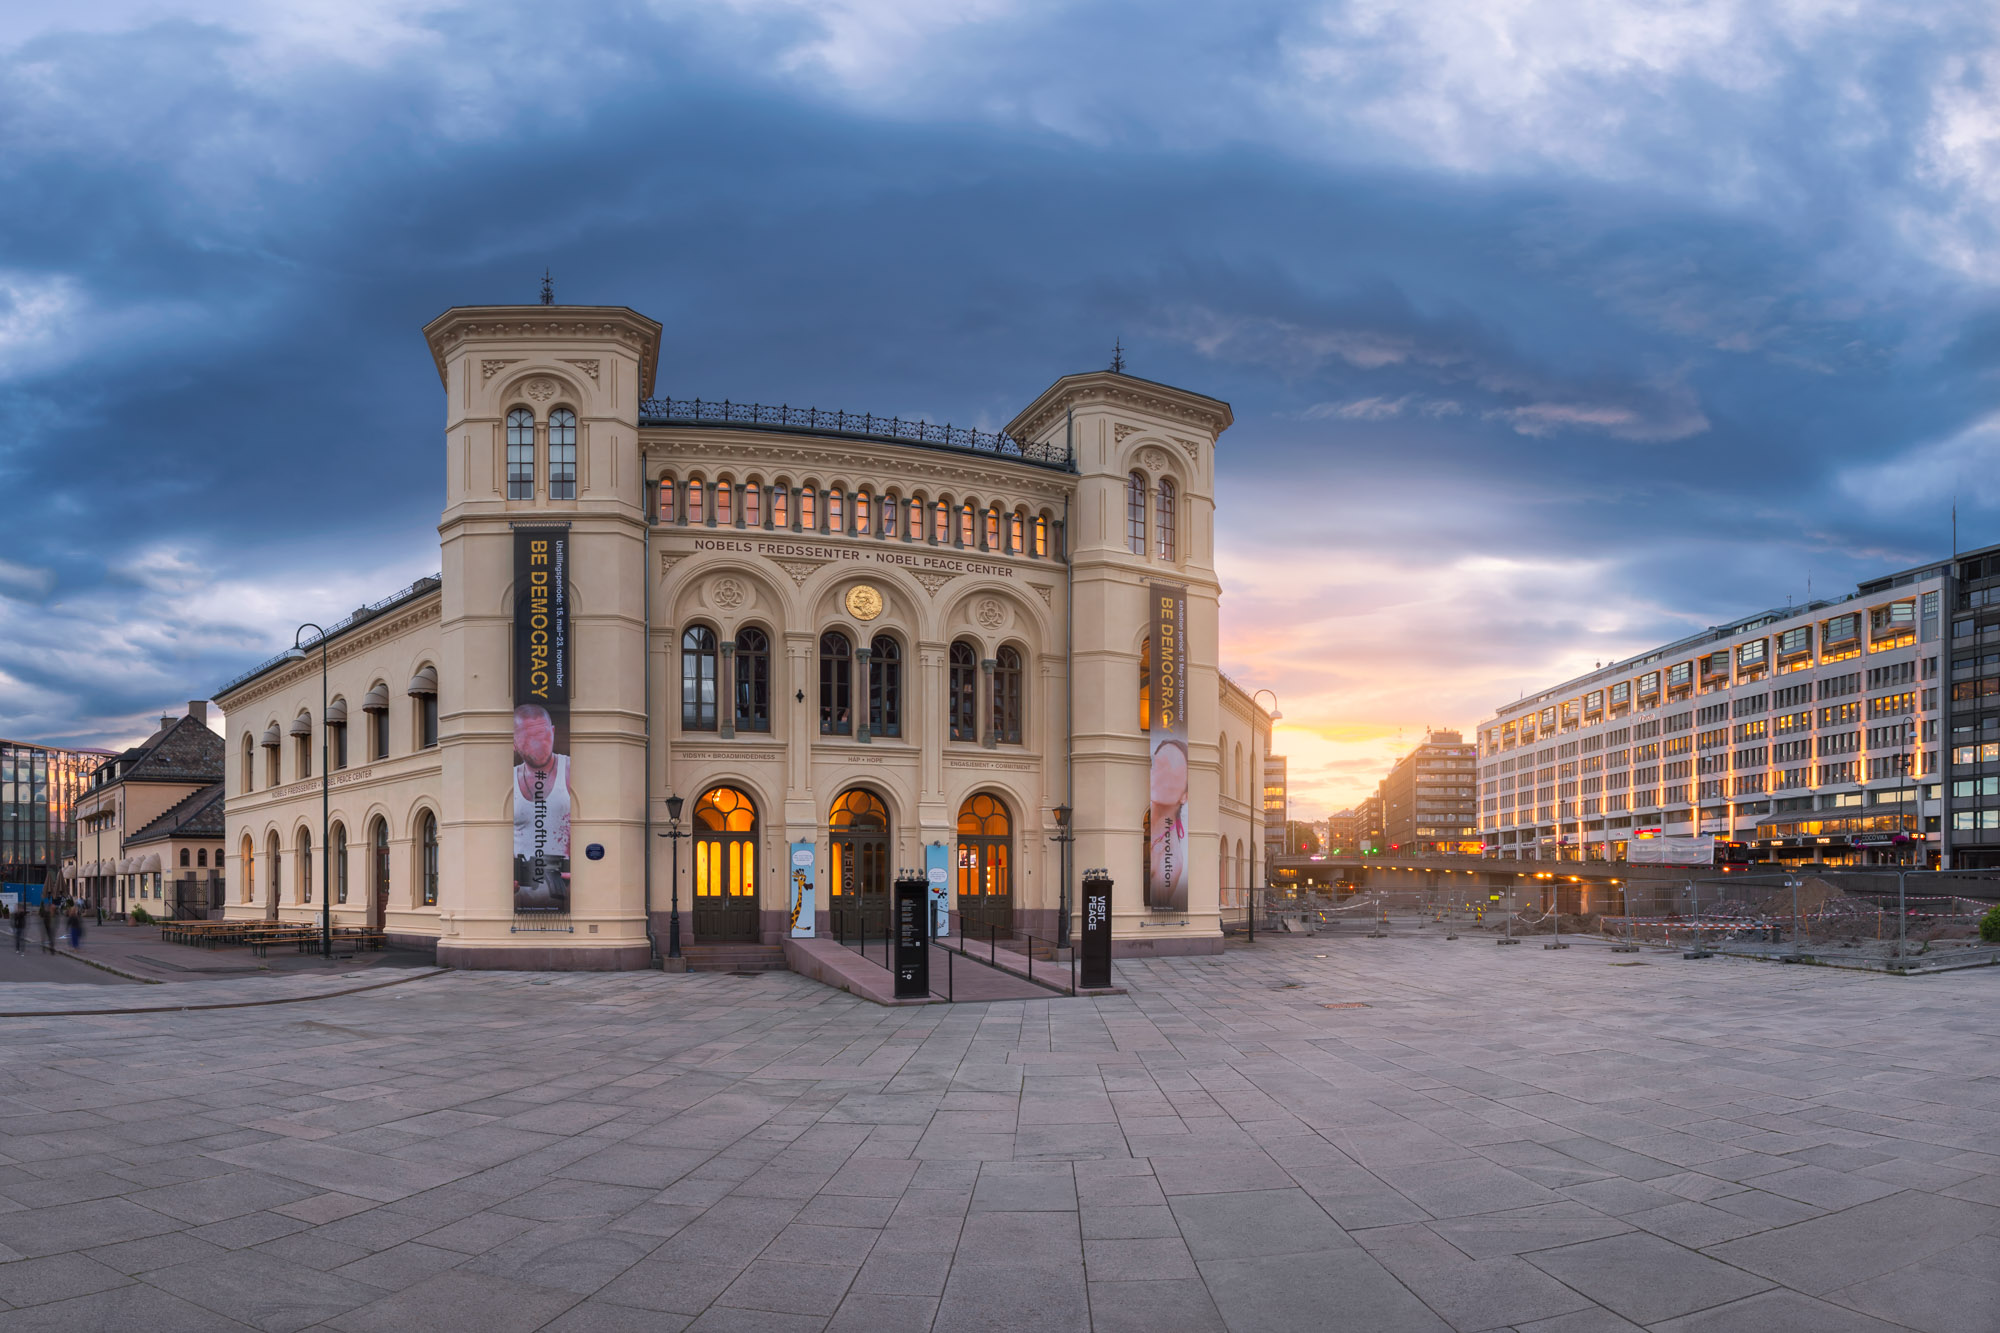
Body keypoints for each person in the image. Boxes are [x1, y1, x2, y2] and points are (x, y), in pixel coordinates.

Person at [511, 704, 573, 911]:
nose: (538, 744)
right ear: (513, 743)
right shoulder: (507, 782)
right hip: (519, 898)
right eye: (529, 738)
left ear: (553, 732)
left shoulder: (571, 771)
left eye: (542, 734)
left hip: (569, 896)